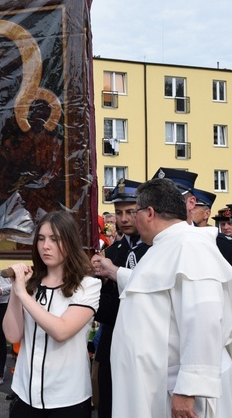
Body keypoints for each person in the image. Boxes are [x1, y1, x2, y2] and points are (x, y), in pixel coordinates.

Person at [110, 178, 232, 417]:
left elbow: (204, 317)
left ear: (149, 213)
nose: (132, 218)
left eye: (135, 211)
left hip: (181, 393)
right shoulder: (166, 245)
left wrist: (190, 388)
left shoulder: (190, 246)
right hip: (162, 385)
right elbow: (154, 291)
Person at [4, 211, 101, 417]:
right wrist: (16, 289)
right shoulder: (30, 285)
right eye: (41, 239)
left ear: (70, 241)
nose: (45, 246)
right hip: (24, 395)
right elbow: (12, 335)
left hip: (66, 400)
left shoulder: (88, 286)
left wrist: (23, 294)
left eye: (54, 239)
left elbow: (62, 330)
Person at [91, 178, 149, 418]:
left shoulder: (154, 248)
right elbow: (105, 309)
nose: (123, 219)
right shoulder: (113, 251)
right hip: (113, 342)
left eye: (130, 212)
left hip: (144, 345)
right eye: (118, 213)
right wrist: (95, 284)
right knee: (109, 404)